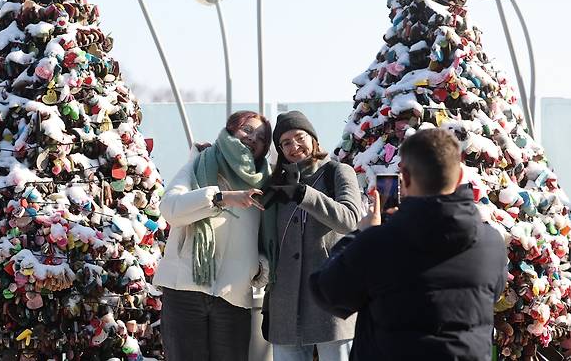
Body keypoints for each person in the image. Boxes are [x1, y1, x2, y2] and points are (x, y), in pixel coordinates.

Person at [310, 128, 508, 361]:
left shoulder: (377, 243)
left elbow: (327, 292)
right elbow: (490, 294)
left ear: (404, 176)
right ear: (459, 177)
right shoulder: (491, 242)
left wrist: (360, 235)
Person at [155, 110, 272, 361]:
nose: (253, 139)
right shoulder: (200, 162)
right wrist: (220, 197)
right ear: (231, 130)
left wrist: (258, 266)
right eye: (247, 130)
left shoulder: (265, 183)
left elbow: (267, 237)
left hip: (233, 296)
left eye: (261, 138)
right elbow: (170, 209)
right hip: (185, 288)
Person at [260, 110, 364, 361]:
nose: (294, 146)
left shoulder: (337, 172)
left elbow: (350, 220)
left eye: (299, 137)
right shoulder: (275, 185)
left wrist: (304, 194)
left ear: (313, 139)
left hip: (330, 302)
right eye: (285, 143)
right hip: (285, 307)